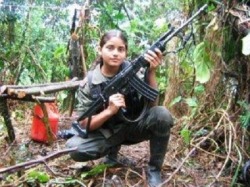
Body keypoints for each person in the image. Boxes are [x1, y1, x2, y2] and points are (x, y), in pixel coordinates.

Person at [65, 29, 174, 187]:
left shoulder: (134, 72)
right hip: (107, 134)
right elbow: (83, 123)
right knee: (74, 148)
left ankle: (154, 170)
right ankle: (112, 154)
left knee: (162, 115)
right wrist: (109, 111)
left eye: (120, 49)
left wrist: (151, 72)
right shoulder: (89, 83)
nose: (115, 53)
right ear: (100, 49)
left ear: (126, 52)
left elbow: (152, 105)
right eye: (110, 48)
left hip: (133, 127)